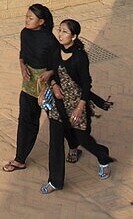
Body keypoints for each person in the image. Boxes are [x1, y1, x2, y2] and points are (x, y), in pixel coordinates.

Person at [40, 19, 115, 194]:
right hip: (58, 104)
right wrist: (53, 85)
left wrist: (80, 107)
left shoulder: (80, 57)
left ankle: (103, 157)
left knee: (83, 139)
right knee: (56, 143)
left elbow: (87, 84)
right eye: (60, 30)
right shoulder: (54, 51)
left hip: (76, 105)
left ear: (74, 36)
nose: (60, 34)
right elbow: (51, 72)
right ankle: (55, 181)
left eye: (65, 32)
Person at [3, 4, 60, 173]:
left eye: (31, 18)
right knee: (26, 121)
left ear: (41, 21)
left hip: (47, 85)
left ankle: (73, 146)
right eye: (26, 17)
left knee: (57, 120)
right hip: (28, 84)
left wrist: (49, 73)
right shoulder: (24, 33)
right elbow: (23, 55)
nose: (26, 20)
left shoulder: (51, 41)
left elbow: (58, 65)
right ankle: (20, 159)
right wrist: (22, 67)